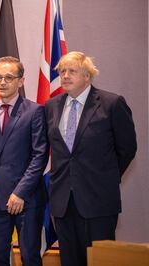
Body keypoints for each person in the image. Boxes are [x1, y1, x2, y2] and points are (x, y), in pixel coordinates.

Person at [45, 51, 137, 265]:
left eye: (72, 71)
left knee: (100, 261)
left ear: (87, 76)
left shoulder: (111, 103)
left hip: (99, 200)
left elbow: (127, 149)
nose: (65, 76)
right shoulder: (51, 106)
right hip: (63, 202)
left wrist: (106, 177)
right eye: (62, 71)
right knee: (70, 260)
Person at [0, 56, 49, 266]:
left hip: (27, 200)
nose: (2, 82)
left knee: (30, 257)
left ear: (21, 81)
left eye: (9, 77)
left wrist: (20, 193)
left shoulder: (34, 112)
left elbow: (39, 156)